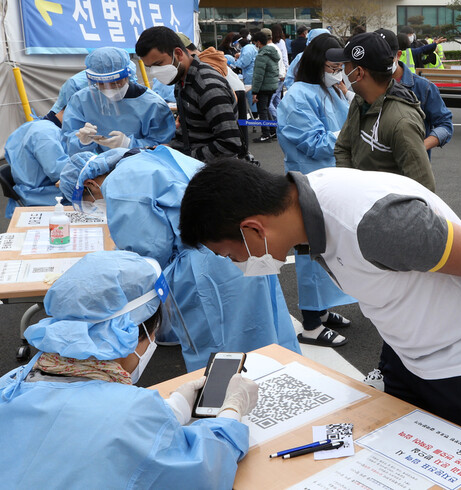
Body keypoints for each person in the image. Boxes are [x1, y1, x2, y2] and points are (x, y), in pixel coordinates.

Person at [179, 158, 461, 459]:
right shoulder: (306, 215)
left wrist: (445, 238)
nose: (237, 264)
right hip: (412, 356)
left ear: (253, 229)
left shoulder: (372, 223)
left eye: (231, 254)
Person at [0, 250, 258, 488]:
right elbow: (203, 471)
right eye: (154, 333)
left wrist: (175, 407)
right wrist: (231, 413)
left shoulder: (12, 383)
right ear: (132, 334)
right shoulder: (132, 413)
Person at [58, 147, 301, 370]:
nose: (98, 207)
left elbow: (148, 254)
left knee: (220, 345)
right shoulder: (152, 155)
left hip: (205, 267)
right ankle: (282, 382)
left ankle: (225, 406)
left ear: (91, 184)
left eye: (90, 202)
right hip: (243, 245)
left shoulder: (118, 186)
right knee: (266, 326)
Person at [277, 33, 357, 347]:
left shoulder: (333, 88)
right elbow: (312, 143)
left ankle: (322, 310)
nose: (338, 70)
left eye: (341, 65)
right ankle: (310, 322)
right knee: (310, 253)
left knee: (329, 249)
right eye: (333, 64)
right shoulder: (298, 95)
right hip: (309, 184)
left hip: (333, 182)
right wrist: (351, 134)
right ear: (316, 62)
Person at [328, 33, 434, 192]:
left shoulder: (401, 121)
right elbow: (343, 147)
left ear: (359, 73)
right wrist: (351, 189)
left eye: (346, 65)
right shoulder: (360, 101)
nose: (342, 70)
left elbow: (423, 189)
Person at [136, 27, 245, 162]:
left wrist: (182, 158)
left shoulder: (208, 86)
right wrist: (170, 148)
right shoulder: (182, 80)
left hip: (212, 172)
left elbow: (229, 145)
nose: (155, 72)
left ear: (178, 53)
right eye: (150, 67)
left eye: (158, 64)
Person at [62, 47, 174, 156]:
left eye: (116, 82)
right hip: (96, 167)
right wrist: (82, 142)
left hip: (139, 166)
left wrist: (129, 145)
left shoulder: (153, 105)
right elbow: (68, 141)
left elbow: (163, 147)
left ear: (128, 75)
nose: (108, 88)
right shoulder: (81, 100)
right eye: (101, 83)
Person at [378, 29, 453, 159]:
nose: (379, 63)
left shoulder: (424, 88)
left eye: (386, 58)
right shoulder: (367, 84)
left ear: (398, 55)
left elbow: (445, 125)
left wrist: (420, 146)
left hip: (412, 166)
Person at [3, 114, 69, 217]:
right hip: (40, 197)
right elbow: (59, 172)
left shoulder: (39, 126)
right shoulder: (45, 133)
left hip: (33, 190)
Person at [251, 31, 281, 143]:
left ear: (258, 42)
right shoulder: (272, 53)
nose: (255, 45)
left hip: (263, 87)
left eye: (255, 43)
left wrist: (254, 92)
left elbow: (258, 76)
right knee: (266, 108)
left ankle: (266, 134)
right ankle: (272, 130)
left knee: (262, 110)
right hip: (272, 85)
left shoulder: (261, 56)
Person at [234, 30, 259, 117]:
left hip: (250, 76)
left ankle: (254, 115)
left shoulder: (248, 48)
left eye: (235, 44)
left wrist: (233, 63)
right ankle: (254, 114)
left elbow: (244, 62)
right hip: (250, 74)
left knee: (250, 96)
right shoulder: (249, 48)